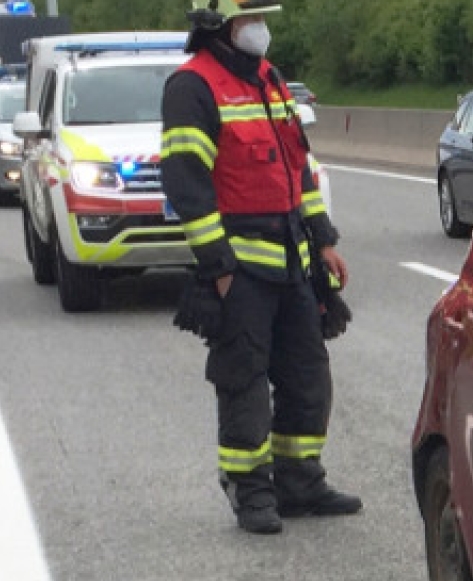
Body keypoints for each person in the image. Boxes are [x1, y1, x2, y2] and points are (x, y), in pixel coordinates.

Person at [161, 0, 359, 534]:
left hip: (293, 260)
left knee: (307, 376)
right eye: (251, 21)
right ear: (221, 26)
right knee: (243, 379)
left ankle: (299, 482)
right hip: (241, 269)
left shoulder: (269, 78)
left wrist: (323, 240)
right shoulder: (193, 86)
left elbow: (299, 170)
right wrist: (220, 267)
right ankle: (250, 489)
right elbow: (187, 185)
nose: (261, 30)